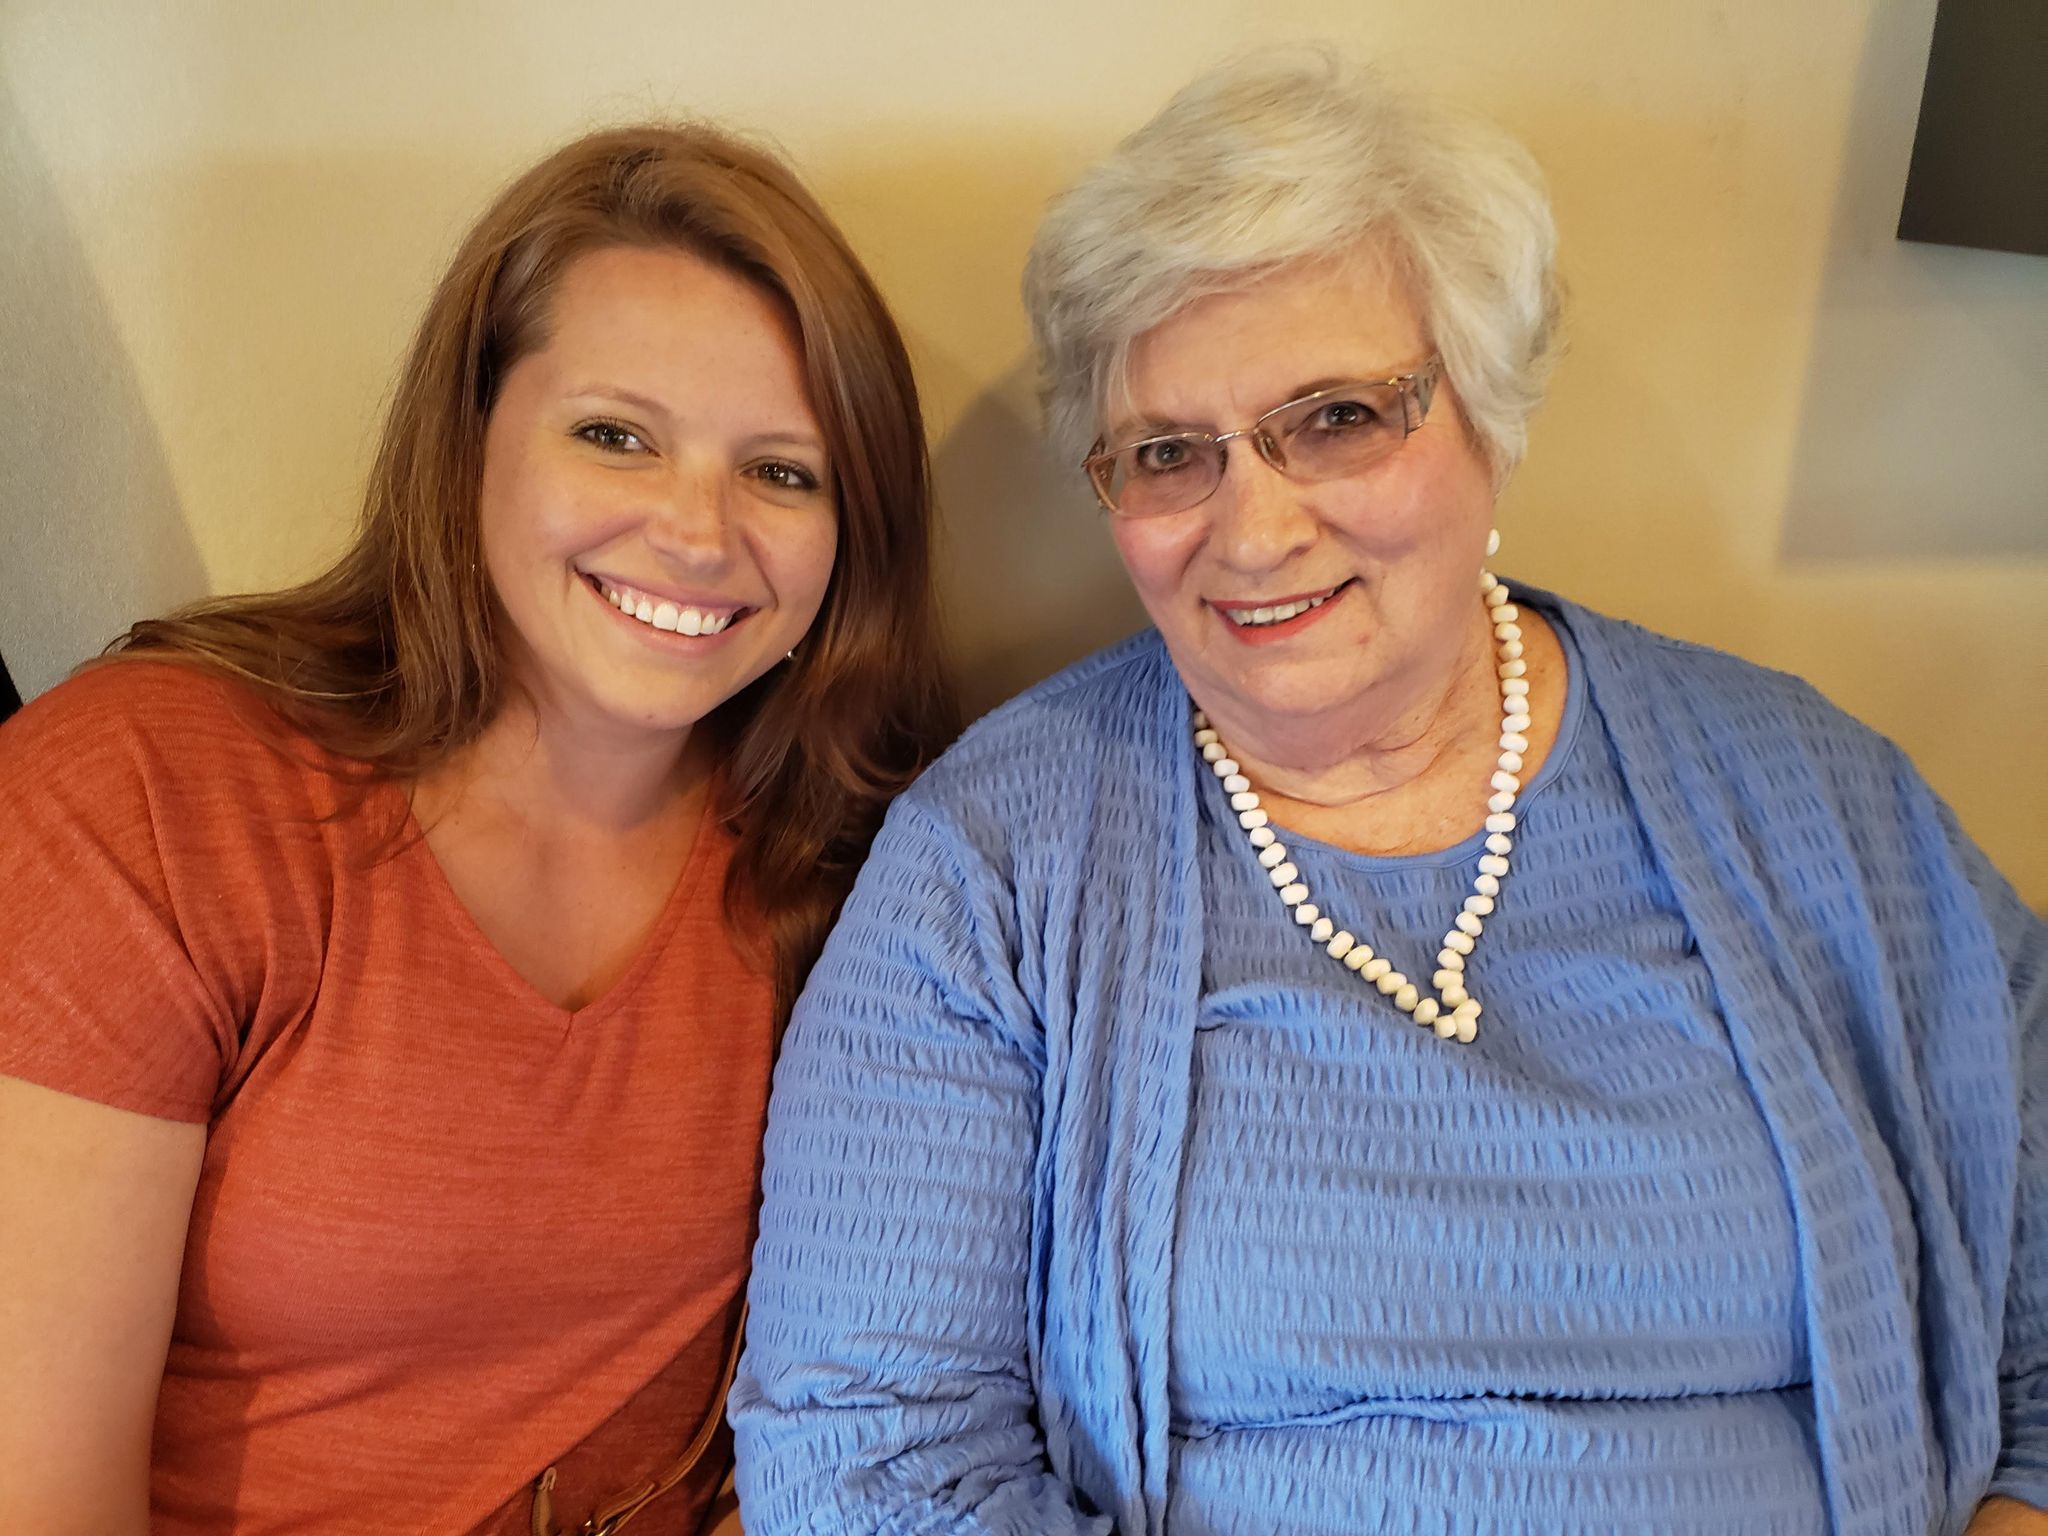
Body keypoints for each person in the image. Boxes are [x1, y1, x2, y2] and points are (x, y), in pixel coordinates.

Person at [729, 51, 2046, 1536]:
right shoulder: (994, 863)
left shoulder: (1810, 793)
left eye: (1339, 417)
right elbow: (868, 1461)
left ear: (1485, 412)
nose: (1256, 526)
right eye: (1169, 453)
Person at [0, 122, 954, 1534]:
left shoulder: (860, 858)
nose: (698, 534)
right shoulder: (152, 791)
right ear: (471, 443)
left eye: (784, 471)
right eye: (616, 435)